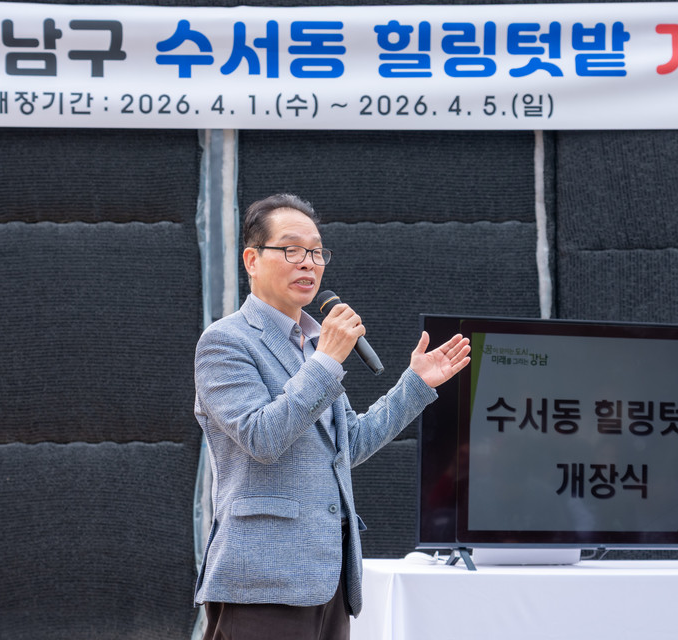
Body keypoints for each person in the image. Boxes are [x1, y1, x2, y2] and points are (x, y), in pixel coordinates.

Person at [193, 193, 470, 640]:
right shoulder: (225, 342)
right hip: (262, 582)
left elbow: (349, 445)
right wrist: (326, 362)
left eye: (317, 252)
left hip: (328, 578)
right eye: (291, 250)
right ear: (252, 259)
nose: (309, 263)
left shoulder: (312, 345)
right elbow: (262, 437)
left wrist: (416, 383)